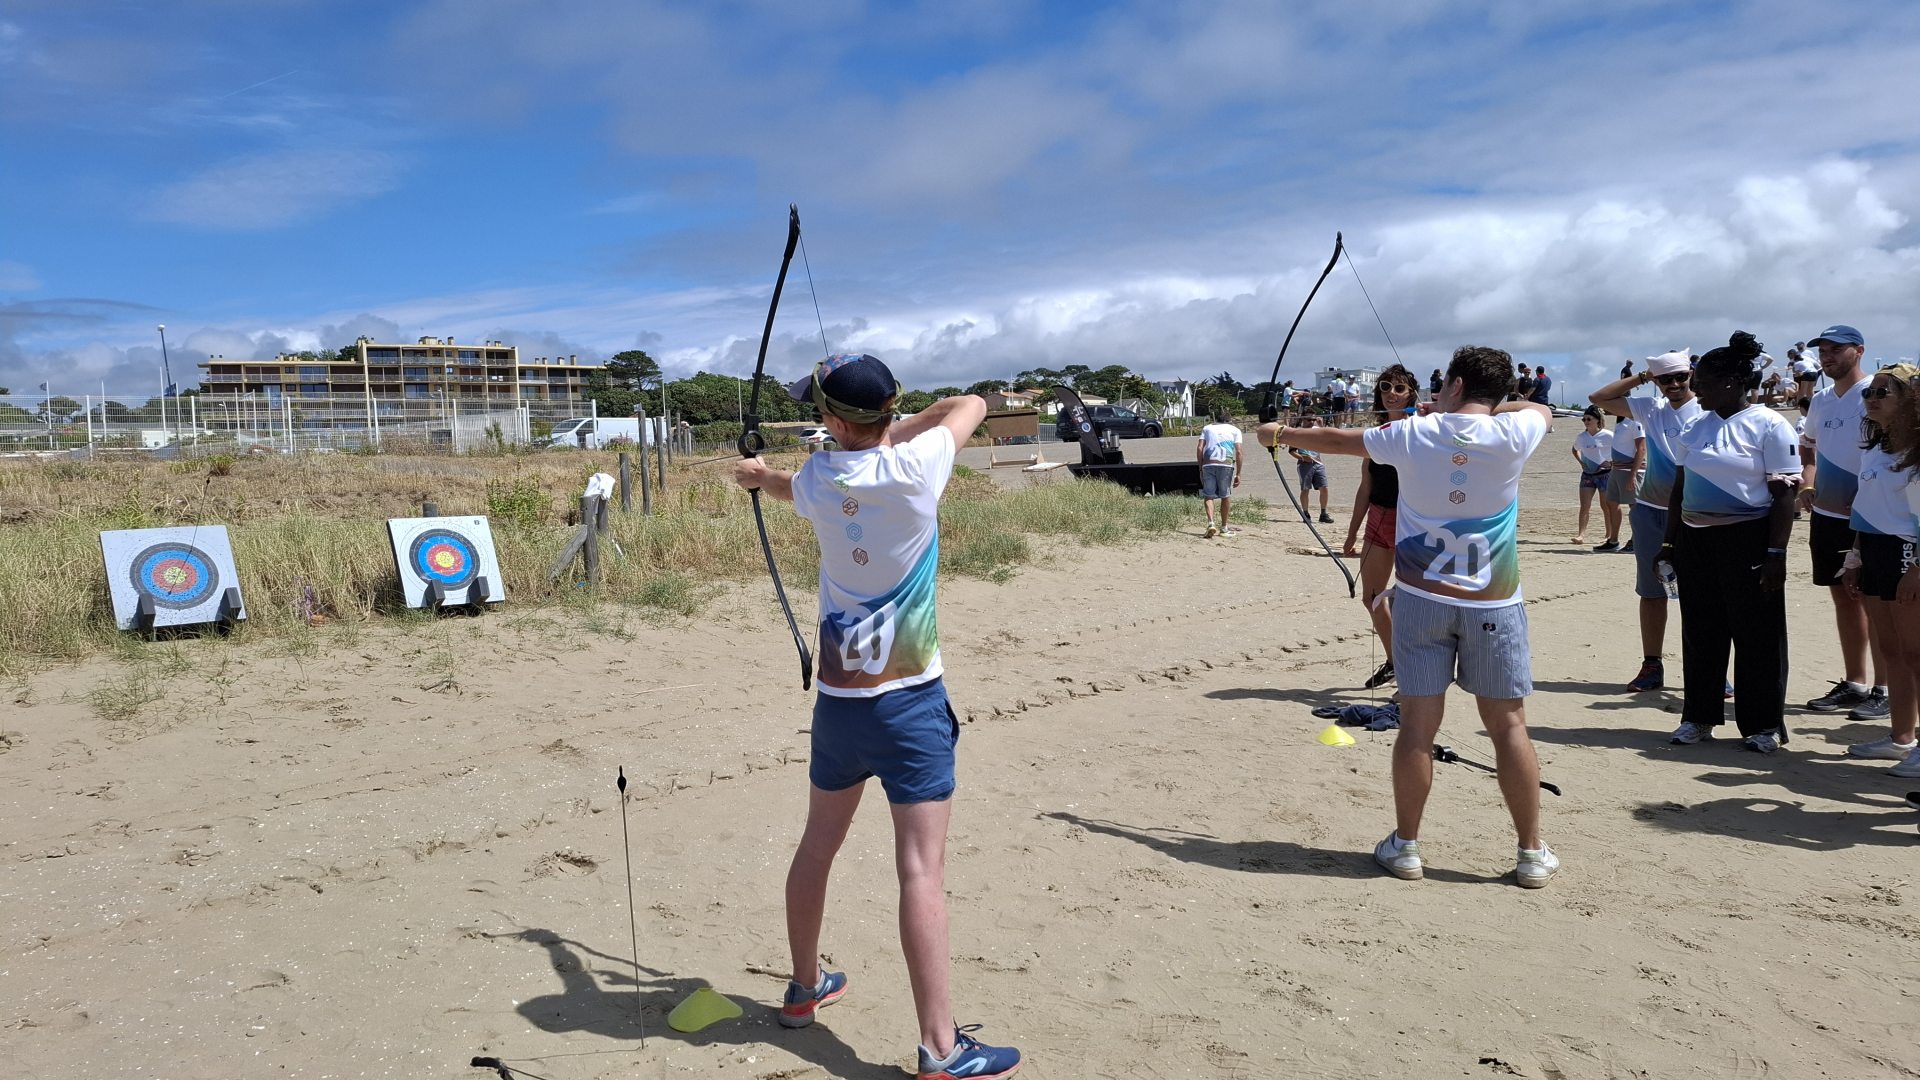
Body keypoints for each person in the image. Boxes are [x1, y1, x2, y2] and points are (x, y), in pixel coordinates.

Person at [731, 354, 1021, 1079]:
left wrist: (755, 476)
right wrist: (900, 421)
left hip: (839, 707)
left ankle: (803, 990)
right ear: (890, 415)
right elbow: (974, 402)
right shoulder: (920, 467)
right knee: (920, 871)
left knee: (816, 845)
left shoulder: (817, 480)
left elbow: (776, 481)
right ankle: (940, 1048)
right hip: (911, 707)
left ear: (832, 422)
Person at [1274, 346, 1560, 889]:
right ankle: (1530, 855)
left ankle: (1406, 848)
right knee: (1509, 727)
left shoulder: (1410, 434)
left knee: (1418, 728)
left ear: (1452, 383)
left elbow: (1336, 442)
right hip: (1493, 603)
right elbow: (1536, 409)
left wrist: (1279, 434)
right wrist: (1477, 409)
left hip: (1423, 601)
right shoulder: (1518, 431)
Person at [1662, 333, 1801, 752]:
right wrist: (1668, 547)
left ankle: (1764, 726)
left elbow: (1786, 495)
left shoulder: (1770, 424)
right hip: (1695, 541)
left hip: (1749, 540)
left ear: (1732, 383)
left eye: (1702, 382)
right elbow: (1679, 490)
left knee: (1757, 633)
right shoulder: (1695, 426)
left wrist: (1776, 553)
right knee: (1701, 631)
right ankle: (1699, 718)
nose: (1696, 389)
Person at [1589, 349, 1702, 692]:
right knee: (1652, 591)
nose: (1675, 384)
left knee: (1700, 595)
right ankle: (1652, 665)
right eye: (1666, 379)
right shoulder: (1651, 409)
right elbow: (1599, 398)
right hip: (1652, 509)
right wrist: (1642, 377)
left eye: (1680, 376)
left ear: (1691, 375)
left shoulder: (1709, 409)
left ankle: (1707, 667)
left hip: (1696, 512)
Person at [1800, 324, 1888, 720]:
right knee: (1843, 597)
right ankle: (1855, 682)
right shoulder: (1820, 401)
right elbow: (1810, 448)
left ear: (1859, 350)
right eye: (1823, 351)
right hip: (1828, 515)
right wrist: (1807, 483)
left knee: (1876, 600)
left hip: (1870, 517)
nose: (1828, 356)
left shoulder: (1875, 395)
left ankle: (1885, 689)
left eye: (1837, 349)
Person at [1841, 364, 1920, 775]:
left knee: (1916, 652)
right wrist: (1854, 558)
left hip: (1908, 552)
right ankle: (1901, 738)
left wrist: (1918, 568)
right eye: (1868, 392)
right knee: (1891, 651)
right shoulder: (1873, 447)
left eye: (1882, 392)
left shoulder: (1918, 451)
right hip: (1872, 548)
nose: (1871, 399)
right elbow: (1864, 507)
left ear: (1909, 399)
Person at [1342, 364, 1420, 690]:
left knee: (1413, 604)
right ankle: (1394, 663)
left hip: (1411, 523)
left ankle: (1416, 677)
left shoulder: (1422, 432)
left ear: (1411, 394)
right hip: (1378, 518)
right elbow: (1365, 487)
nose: (1391, 392)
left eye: (1399, 388)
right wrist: (1351, 532)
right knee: (1372, 597)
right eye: (1385, 387)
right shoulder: (1375, 436)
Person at [1196, 406, 1242, 539]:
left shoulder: (1207, 428)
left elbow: (1200, 447)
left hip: (1208, 463)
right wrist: (1239, 473)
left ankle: (1211, 523)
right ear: (1229, 421)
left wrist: (1200, 466)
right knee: (1225, 495)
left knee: (1208, 495)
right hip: (1226, 464)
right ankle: (1224, 527)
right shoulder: (1235, 430)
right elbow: (1239, 451)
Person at [1571, 407, 1615, 546]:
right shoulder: (1582, 437)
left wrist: (1612, 463)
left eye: (1589, 419)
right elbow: (1574, 449)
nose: (1586, 422)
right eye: (1584, 419)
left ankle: (1609, 535)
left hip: (1605, 474)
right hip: (1588, 474)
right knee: (1585, 505)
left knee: (1606, 505)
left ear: (1597, 420)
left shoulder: (1608, 435)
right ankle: (1581, 535)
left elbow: (1620, 449)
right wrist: (1581, 463)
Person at [1603, 412, 1645, 551]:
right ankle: (1613, 540)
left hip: (1630, 470)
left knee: (1635, 507)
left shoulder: (1635, 421)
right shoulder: (1621, 423)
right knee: (1611, 502)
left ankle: (1636, 540)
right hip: (1617, 469)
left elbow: (1641, 448)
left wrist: (1633, 474)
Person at [1290, 442, 1335, 522]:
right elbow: (1291, 451)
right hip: (1304, 464)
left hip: (1318, 463)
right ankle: (1306, 514)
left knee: (1324, 487)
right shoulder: (1297, 433)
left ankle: (1323, 514)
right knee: (1305, 489)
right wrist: (1302, 458)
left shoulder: (1315, 432)